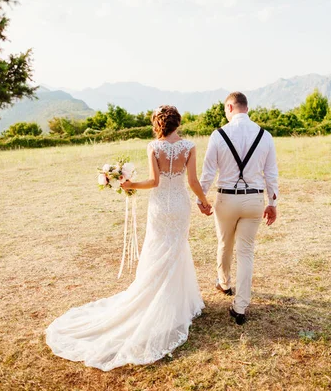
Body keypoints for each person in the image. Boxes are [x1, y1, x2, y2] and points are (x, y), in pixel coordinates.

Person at [46, 105, 210, 370]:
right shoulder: (189, 146)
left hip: (159, 206)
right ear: (178, 122)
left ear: (158, 123)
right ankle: (176, 302)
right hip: (180, 205)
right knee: (176, 248)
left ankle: (161, 299)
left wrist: (130, 184)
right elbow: (192, 181)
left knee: (159, 250)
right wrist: (204, 201)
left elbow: (155, 182)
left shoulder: (153, 147)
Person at [198, 91, 279, 325]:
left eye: (225, 110)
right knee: (246, 252)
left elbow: (209, 172)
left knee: (225, 243)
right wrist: (273, 203)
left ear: (230, 108)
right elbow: (271, 174)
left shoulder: (219, 134)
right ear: (246, 107)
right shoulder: (265, 136)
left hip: (226, 199)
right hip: (254, 200)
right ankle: (240, 306)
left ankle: (224, 283)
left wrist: (201, 199)